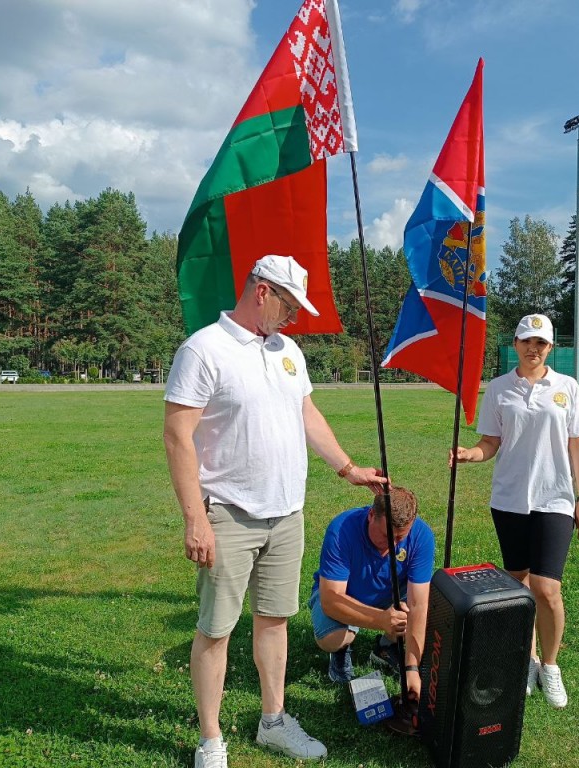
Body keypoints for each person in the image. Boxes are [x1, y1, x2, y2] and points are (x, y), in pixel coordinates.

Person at [163, 254, 386, 768]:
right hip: (228, 514)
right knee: (216, 629)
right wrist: (195, 518)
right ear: (262, 291)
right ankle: (211, 740)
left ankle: (274, 721)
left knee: (274, 621)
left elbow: (307, 413)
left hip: (287, 514)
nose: (294, 317)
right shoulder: (203, 349)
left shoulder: (288, 351)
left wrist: (348, 468)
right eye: (289, 305)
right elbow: (177, 436)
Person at [452, 313, 579, 710]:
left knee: (547, 589)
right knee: (518, 584)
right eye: (527, 341)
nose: (533, 348)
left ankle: (551, 665)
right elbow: (491, 442)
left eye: (541, 343)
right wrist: (471, 454)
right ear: (515, 343)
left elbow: (578, 444)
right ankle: (527, 659)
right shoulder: (499, 388)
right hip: (510, 500)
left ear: (551, 347)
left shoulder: (566, 387)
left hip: (555, 499)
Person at [308, 486, 435, 701]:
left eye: (400, 538)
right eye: (386, 535)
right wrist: (381, 620)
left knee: (432, 619)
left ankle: (386, 647)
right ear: (371, 515)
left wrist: (412, 668)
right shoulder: (341, 529)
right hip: (344, 596)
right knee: (333, 637)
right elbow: (330, 599)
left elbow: (418, 604)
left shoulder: (422, 536)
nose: (392, 545)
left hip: (392, 597)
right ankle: (341, 649)